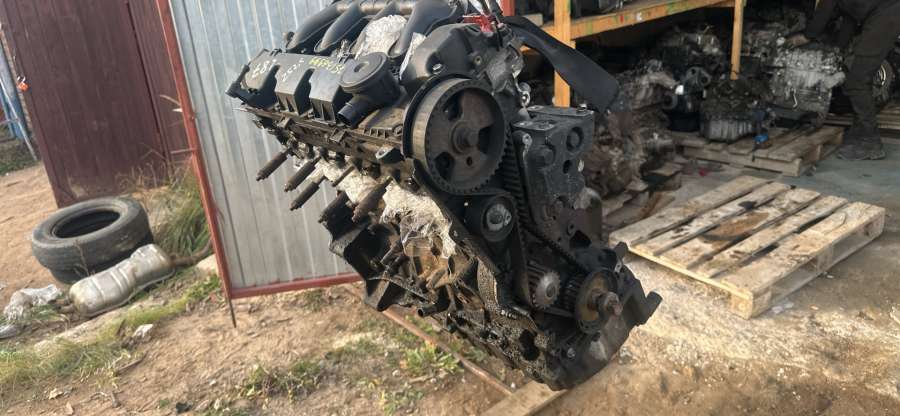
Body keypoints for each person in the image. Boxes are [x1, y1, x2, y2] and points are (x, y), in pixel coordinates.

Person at [787, 0, 900, 160]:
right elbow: (850, 17)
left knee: (857, 81)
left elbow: (825, 9)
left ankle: (870, 142)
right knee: (855, 78)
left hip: (886, 14)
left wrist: (806, 36)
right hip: (882, 13)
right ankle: (861, 131)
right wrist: (839, 49)